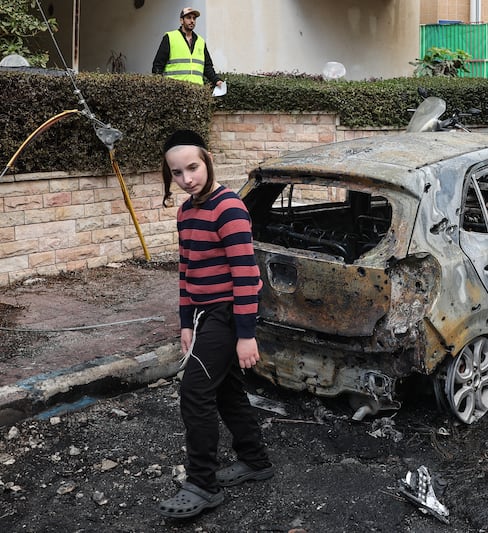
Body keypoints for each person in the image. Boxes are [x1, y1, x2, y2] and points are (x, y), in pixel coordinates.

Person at [157, 130, 273, 519]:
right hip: (205, 316)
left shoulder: (230, 208)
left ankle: (202, 484)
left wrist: (246, 336)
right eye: (177, 173)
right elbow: (186, 271)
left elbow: (245, 275)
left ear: (207, 161)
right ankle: (256, 461)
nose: (187, 179)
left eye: (193, 167)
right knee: (225, 393)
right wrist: (186, 322)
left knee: (194, 392)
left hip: (228, 315)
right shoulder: (187, 211)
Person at [152, 7, 224, 89]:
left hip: (197, 91)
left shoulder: (201, 42)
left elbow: (207, 67)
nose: (192, 20)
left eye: (194, 18)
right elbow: (158, 65)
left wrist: (217, 81)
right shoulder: (170, 37)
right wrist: (159, 87)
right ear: (181, 21)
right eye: (188, 17)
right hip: (174, 91)